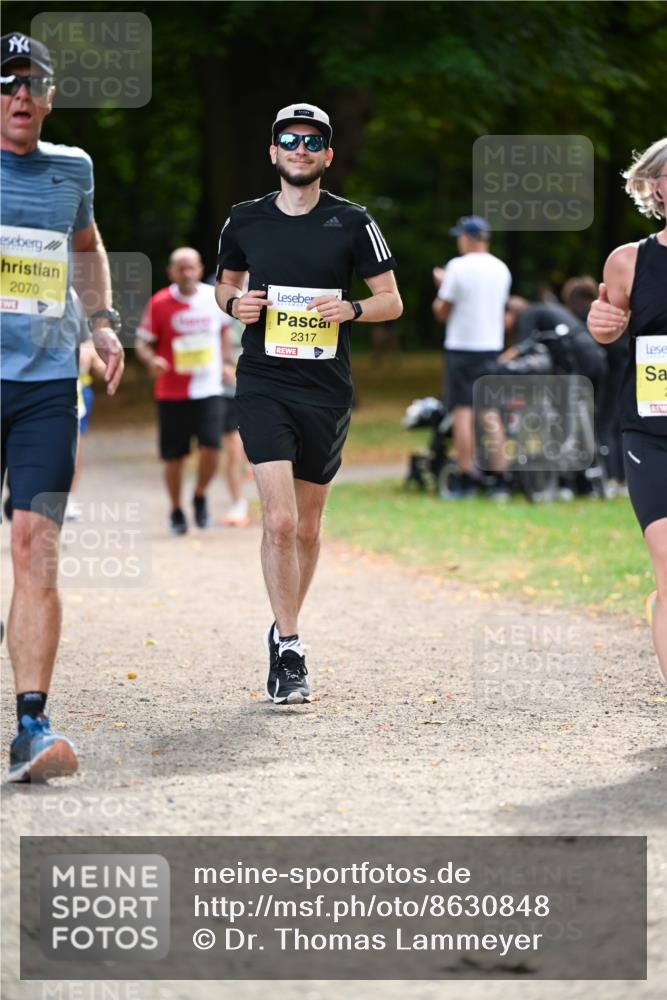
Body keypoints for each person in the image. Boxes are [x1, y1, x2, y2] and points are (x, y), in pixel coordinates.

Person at [215, 102, 402, 704]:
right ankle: (290, 646)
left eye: (312, 140)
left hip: (326, 390)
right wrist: (233, 305)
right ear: (272, 152)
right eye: (289, 140)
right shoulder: (243, 220)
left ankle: (284, 623)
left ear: (327, 154)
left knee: (310, 525)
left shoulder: (352, 222)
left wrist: (351, 309)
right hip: (264, 383)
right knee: (280, 520)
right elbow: (225, 285)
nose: (300, 148)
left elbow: (392, 301)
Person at [1, 32, 124, 781]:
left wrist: (103, 322)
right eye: (7, 83)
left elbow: (87, 244)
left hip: (48, 385)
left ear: (49, 96)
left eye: (32, 84)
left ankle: (31, 726)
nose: (20, 95)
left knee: (35, 546)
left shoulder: (72, 168)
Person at [587, 136, 667, 686]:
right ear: (655, 185)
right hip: (651, 430)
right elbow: (605, 324)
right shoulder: (628, 261)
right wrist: (602, 327)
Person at [135, 247, 231, 534]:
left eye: (192, 268)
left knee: (212, 448)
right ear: (171, 272)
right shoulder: (160, 302)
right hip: (172, 391)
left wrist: (226, 362)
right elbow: (141, 342)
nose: (187, 273)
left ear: (200, 269)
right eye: (181, 268)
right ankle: (176, 509)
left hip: (208, 388)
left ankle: (200, 495)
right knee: (174, 457)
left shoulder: (213, 299)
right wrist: (153, 360)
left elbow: (224, 332)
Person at [432, 216, 511, 498]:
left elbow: (442, 310)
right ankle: (501, 479)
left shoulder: (457, 267)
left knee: (463, 413)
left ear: (469, 237)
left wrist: (441, 285)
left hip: (462, 347)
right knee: (490, 414)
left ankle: (466, 476)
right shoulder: (501, 269)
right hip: (491, 347)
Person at [562, 275, 629, 497]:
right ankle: (621, 478)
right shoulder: (612, 312)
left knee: (603, 425)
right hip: (628, 373)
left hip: (609, 376)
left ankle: (608, 476)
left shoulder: (584, 319)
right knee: (621, 425)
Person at [220, 315, 250, 527]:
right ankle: (238, 503)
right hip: (226, 392)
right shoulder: (217, 306)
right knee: (233, 446)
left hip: (261, 392)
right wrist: (221, 364)